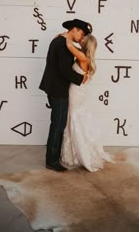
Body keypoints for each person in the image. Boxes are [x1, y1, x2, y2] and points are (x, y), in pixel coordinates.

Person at [39, 19, 92, 172]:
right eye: (81, 34)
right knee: (58, 124)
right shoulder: (62, 44)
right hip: (58, 89)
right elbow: (64, 70)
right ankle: (52, 161)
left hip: (54, 87)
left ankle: (53, 156)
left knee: (57, 123)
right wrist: (80, 78)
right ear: (74, 29)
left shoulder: (59, 40)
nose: (81, 38)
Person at [60, 33, 114, 172]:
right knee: (75, 118)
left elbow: (69, 45)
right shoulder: (86, 58)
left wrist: (66, 35)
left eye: (83, 39)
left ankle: (77, 154)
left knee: (73, 118)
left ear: (86, 44)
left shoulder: (82, 58)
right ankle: (74, 152)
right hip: (79, 92)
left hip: (75, 92)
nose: (81, 39)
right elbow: (75, 47)